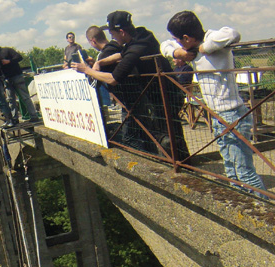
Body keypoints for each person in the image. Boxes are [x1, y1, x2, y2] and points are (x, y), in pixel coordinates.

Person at [161, 10, 268, 198]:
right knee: (231, 171)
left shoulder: (214, 41)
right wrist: (179, 52)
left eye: (178, 40)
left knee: (245, 174)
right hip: (219, 116)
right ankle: (243, 206)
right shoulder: (187, 50)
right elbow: (164, 45)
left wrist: (204, 48)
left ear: (187, 37)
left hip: (233, 114)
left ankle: (267, 213)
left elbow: (233, 33)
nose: (175, 42)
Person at [75, 10, 189, 162]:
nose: (111, 37)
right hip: (164, 91)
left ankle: (179, 164)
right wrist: (100, 62)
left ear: (121, 32)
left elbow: (114, 79)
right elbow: (123, 54)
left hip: (164, 94)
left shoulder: (137, 48)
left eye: (112, 33)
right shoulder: (142, 35)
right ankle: (182, 161)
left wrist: (87, 70)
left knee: (166, 133)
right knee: (170, 131)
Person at [0, 42, 42, 123]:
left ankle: (33, 116)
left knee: (24, 97)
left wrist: (9, 61)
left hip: (16, 76)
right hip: (7, 79)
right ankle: (15, 118)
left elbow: (19, 57)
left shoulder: (7, 50)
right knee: (11, 99)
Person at [85, 25, 122, 107]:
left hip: (124, 98)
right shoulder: (116, 45)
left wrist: (87, 69)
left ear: (93, 41)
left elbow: (94, 83)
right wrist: (95, 63)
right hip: (135, 92)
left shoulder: (104, 55)